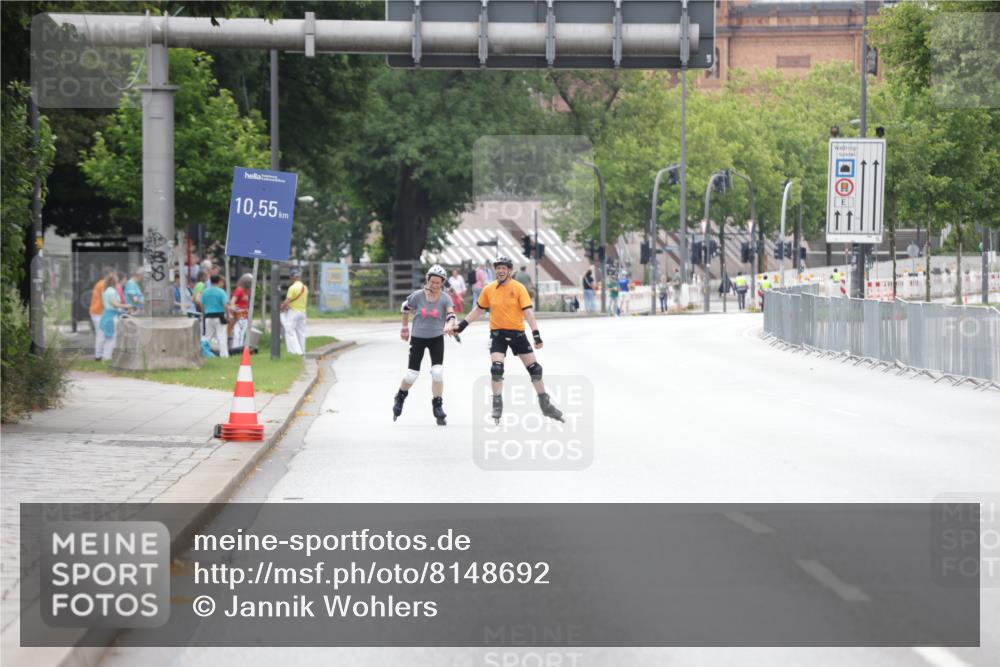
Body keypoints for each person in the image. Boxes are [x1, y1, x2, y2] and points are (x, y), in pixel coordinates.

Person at [456, 255, 564, 424]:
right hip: (497, 335)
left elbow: (528, 312)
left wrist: (536, 334)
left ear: (510, 271)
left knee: (535, 370)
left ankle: (545, 404)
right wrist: (461, 326)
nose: (500, 271)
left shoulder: (519, 288)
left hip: (518, 335)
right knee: (496, 369)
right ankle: (497, 404)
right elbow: (478, 310)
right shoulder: (489, 289)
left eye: (503, 268)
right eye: (498, 268)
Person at [392, 264, 456, 425]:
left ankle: (438, 406)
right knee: (411, 375)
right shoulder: (417, 296)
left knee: (437, 372)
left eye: (438, 283)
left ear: (442, 283)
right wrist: (404, 327)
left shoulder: (445, 298)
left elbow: (451, 314)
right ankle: (400, 396)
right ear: (427, 280)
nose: (435, 285)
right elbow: (405, 308)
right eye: (432, 282)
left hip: (436, 338)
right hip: (418, 338)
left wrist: (450, 324)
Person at [98, 272, 130, 361]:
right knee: (111, 338)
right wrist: (128, 306)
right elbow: (115, 304)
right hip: (111, 317)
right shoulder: (112, 291)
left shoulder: (106, 291)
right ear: (114, 281)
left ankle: (105, 356)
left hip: (106, 315)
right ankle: (107, 357)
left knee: (107, 337)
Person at [280, 269, 308, 355]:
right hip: (303, 312)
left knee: (289, 331)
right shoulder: (305, 288)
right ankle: (302, 351)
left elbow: (287, 301)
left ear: (292, 278)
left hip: (293, 312)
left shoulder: (292, 288)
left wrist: (281, 307)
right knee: (301, 333)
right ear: (298, 277)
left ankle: (294, 352)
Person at [201, 274, 230, 358]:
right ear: (218, 281)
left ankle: (203, 352)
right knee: (221, 336)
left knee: (207, 336)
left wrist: (204, 314)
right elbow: (225, 305)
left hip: (208, 316)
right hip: (219, 316)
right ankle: (224, 355)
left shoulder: (205, 291)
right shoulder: (221, 292)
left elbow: (202, 305)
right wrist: (227, 315)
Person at [89, 270, 110, 360]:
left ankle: (100, 354)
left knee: (101, 334)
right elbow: (104, 299)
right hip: (99, 312)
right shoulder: (103, 284)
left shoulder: (100, 283)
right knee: (101, 334)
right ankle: (98, 356)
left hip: (97, 311)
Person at [229, 273, 253, 349]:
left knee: (241, 332)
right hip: (239, 314)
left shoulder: (247, 291)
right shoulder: (239, 290)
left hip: (245, 314)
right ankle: (237, 348)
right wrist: (234, 310)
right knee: (238, 332)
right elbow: (232, 301)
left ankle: (239, 347)